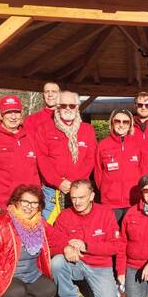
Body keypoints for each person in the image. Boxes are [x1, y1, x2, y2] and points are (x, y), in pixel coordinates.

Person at [50, 180, 121, 297]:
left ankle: (88, 286)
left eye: (81, 197)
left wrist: (86, 246)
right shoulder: (64, 216)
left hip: (99, 265)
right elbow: (51, 245)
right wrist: (65, 248)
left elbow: (116, 246)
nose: (77, 202)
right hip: (75, 263)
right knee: (57, 261)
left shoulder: (105, 213)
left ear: (92, 196)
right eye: (73, 198)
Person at [35, 91, 97, 221]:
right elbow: (42, 158)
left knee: (78, 227)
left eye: (72, 105)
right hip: (52, 191)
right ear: (57, 107)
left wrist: (74, 182)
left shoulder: (87, 130)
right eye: (63, 105)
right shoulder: (44, 128)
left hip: (79, 191)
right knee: (50, 229)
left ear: (77, 107)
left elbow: (90, 158)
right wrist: (58, 181)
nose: (68, 108)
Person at [0, 96, 40, 220]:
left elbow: (37, 170)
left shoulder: (31, 137)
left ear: (22, 114)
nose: (13, 116)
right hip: (4, 206)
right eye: (8, 112)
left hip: (30, 206)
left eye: (16, 112)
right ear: (0, 114)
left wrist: (38, 199)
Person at [94, 108, 144, 222]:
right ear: (112, 122)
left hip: (133, 201)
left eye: (125, 122)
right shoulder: (103, 145)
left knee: (131, 236)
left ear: (130, 124)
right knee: (112, 236)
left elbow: (143, 170)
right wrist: (106, 191)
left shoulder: (138, 144)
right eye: (117, 121)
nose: (121, 125)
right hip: (110, 203)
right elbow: (98, 173)